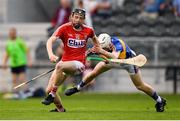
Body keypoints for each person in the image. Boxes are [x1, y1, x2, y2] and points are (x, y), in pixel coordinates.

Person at [65, 33, 167, 112]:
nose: (103, 48)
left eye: (104, 47)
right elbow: (106, 57)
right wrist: (90, 53)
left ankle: (160, 101)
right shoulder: (100, 44)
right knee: (93, 73)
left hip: (127, 61)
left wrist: (101, 51)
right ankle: (78, 88)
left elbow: (115, 56)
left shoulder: (118, 43)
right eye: (102, 47)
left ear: (109, 43)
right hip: (111, 61)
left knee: (140, 86)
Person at [41, 8, 100, 112]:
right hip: (65, 63)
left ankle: (53, 93)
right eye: (76, 17)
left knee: (59, 66)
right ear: (72, 17)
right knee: (48, 90)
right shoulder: (64, 28)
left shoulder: (89, 30)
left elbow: (96, 42)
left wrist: (96, 49)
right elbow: (50, 40)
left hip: (79, 65)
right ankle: (60, 109)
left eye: (81, 18)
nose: (78, 20)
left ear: (84, 20)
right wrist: (51, 54)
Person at [2, 27, 32, 99]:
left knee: (22, 80)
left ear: (15, 33)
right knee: (14, 80)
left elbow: (27, 51)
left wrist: (29, 60)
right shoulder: (8, 43)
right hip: (13, 64)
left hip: (21, 63)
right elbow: (7, 54)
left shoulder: (20, 41)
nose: (11, 34)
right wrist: (4, 62)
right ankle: (16, 94)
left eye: (12, 33)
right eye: (10, 33)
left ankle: (25, 93)